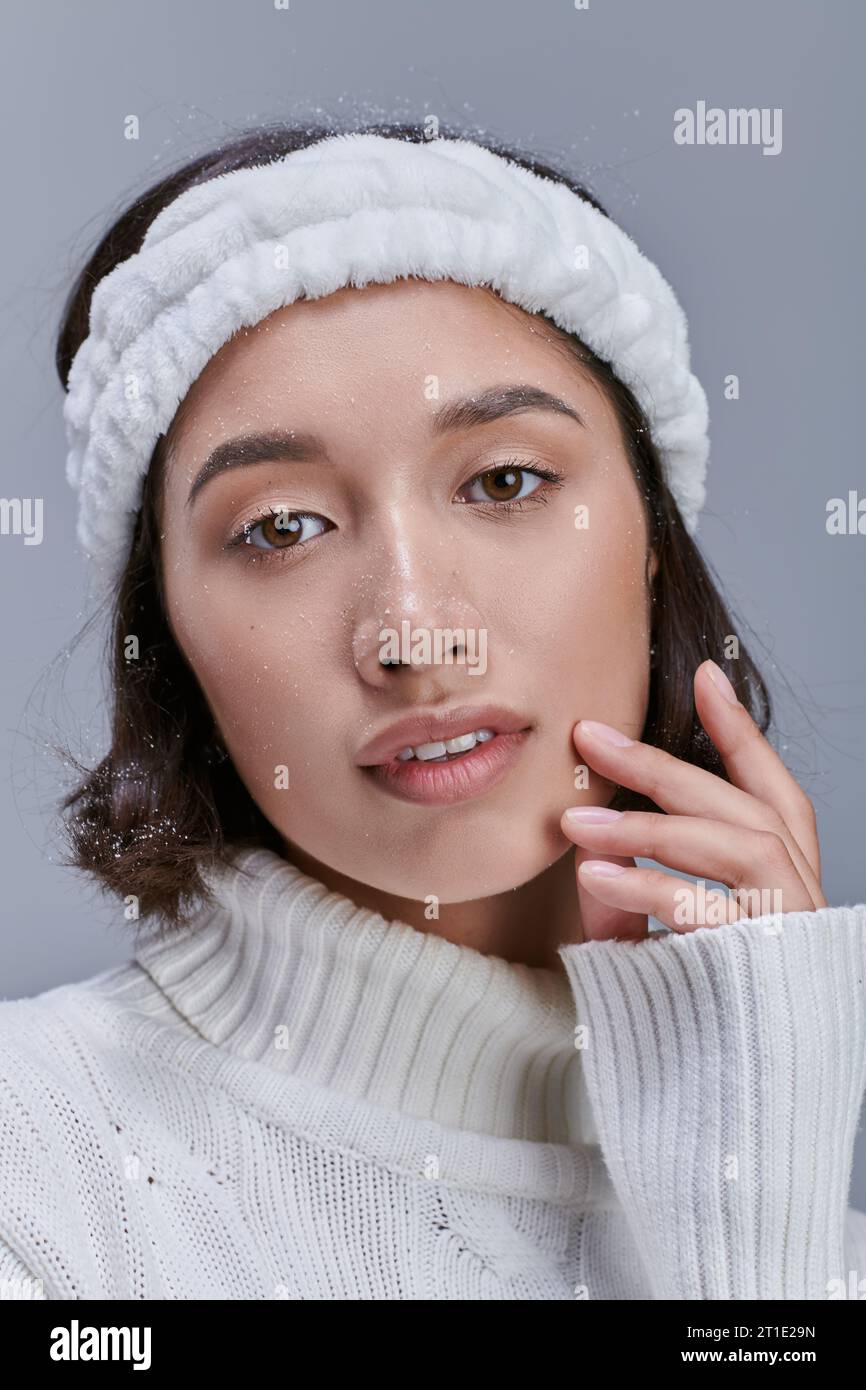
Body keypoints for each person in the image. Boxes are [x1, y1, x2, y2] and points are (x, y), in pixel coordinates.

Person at [1, 120, 864, 1300]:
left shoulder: (813, 1235)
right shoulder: (35, 1174)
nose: (413, 633)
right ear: (173, 634)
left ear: (652, 539)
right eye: (280, 527)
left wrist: (755, 1241)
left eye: (505, 482)